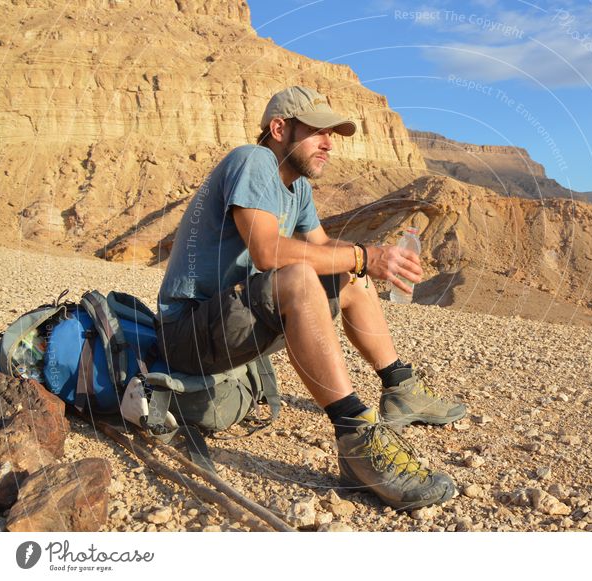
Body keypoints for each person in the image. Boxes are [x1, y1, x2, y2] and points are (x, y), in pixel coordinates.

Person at [155, 86, 466, 509]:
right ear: (280, 128)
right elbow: (267, 251)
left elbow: (322, 246)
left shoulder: (296, 186)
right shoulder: (254, 160)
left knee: (350, 274)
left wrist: (375, 259)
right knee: (305, 275)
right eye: (317, 132)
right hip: (186, 333)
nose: (328, 144)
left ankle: (399, 387)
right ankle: (356, 435)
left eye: (332, 135)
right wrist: (362, 255)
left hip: (227, 324)